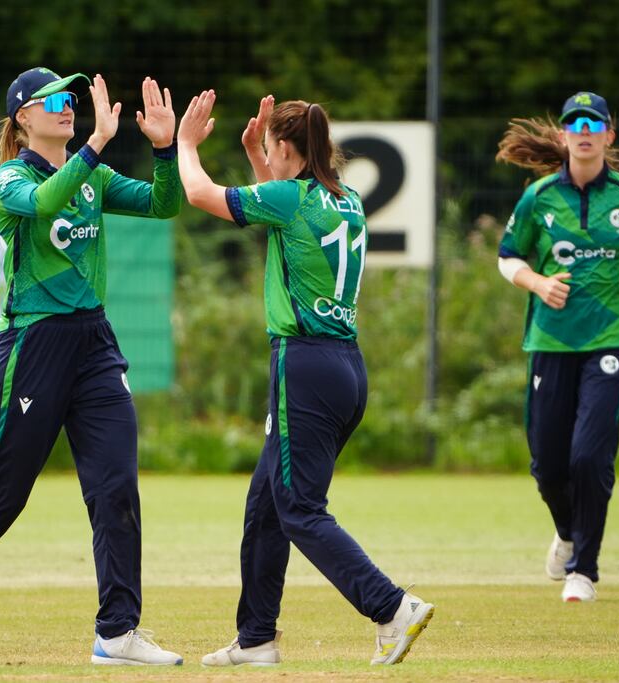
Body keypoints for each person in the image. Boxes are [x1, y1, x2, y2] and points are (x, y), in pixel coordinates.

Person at [0, 67, 184, 666]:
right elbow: (48, 199)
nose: (67, 106)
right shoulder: (10, 177)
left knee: (116, 487)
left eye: (69, 98)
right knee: (3, 495)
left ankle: (118, 632)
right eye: (52, 100)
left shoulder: (92, 174)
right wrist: (99, 143)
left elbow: (164, 204)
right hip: (33, 346)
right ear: (23, 117)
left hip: (95, 344)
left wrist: (164, 147)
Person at [176, 90, 434, 666]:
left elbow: (199, 192)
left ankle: (391, 608)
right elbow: (285, 203)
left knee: (298, 509)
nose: (267, 154)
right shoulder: (346, 199)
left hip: (305, 365)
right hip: (345, 367)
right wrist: (257, 156)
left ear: (287, 148)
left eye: (271, 146)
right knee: (266, 506)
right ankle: (256, 640)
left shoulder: (290, 199)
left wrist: (185, 146)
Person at [496, 92, 619, 602]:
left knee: (589, 456)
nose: (583, 129)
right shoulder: (538, 197)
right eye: (574, 122)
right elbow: (507, 258)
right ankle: (566, 533)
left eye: (593, 122)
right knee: (548, 465)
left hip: (610, 339)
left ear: (608, 136)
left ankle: (584, 570)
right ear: (562, 136)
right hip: (550, 341)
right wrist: (536, 283)